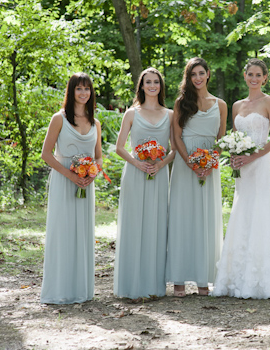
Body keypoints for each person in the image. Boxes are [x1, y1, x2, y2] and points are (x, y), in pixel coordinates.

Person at [212, 58, 270, 299]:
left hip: (260, 164)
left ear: (265, 78)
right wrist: (235, 155)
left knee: (262, 207)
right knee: (242, 209)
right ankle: (238, 276)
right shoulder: (237, 105)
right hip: (242, 168)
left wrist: (252, 157)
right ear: (245, 76)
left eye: (259, 75)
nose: (254, 79)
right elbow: (234, 137)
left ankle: (265, 278)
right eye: (251, 74)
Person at [166, 57, 227, 297]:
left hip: (209, 166)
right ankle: (179, 279)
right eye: (193, 75)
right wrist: (191, 162)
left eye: (201, 73)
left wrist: (210, 161)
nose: (198, 78)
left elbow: (220, 139)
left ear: (208, 74)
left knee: (206, 218)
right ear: (189, 78)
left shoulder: (220, 104)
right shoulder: (182, 103)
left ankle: (204, 279)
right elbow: (176, 137)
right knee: (183, 217)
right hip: (185, 164)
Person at [40, 72, 102, 304]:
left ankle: (81, 290)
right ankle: (59, 290)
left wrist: (91, 174)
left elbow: (98, 157)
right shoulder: (59, 119)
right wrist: (71, 175)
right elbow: (46, 154)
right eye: (79, 88)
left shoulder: (95, 122)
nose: (83, 93)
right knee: (63, 232)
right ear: (71, 91)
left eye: (87, 89)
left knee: (82, 234)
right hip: (64, 180)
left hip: (86, 184)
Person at [113, 68, 176, 299]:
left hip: (158, 176)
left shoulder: (169, 114)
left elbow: (175, 149)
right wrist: (138, 163)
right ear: (141, 86)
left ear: (161, 86)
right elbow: (119, 147)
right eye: (148, 82)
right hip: (135, 173)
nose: (152, 86)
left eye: (156, 82)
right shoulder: (131, 113)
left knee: (155, 225)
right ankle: (130, 285)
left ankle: (153, 286)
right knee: (134, 224)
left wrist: (160, 165)